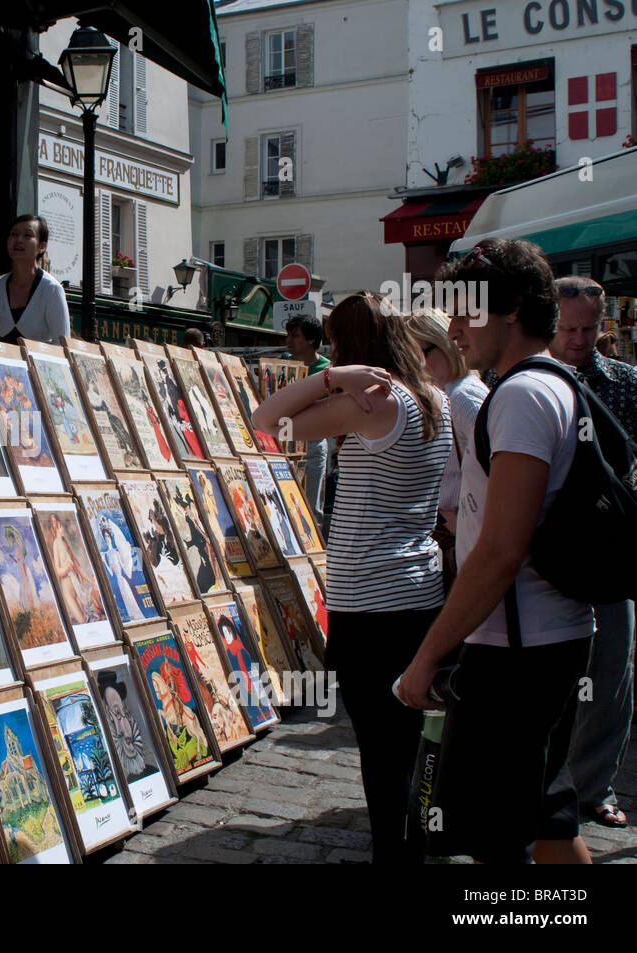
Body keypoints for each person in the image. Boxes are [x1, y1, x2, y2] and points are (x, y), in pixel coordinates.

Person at [396, 239, 595, 865]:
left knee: (492, 840)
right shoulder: (550, 385)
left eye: (464, 312)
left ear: (508, 308)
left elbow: (502, 548)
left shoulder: (521, 396)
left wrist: (428, 656)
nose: (454, 329)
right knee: (550, 820)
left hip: (517, 650)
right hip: (546, 636)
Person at [253, 292, 452, 864]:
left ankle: (396, 851)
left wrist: (331, 377)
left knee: (379, 747)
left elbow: (266, 422)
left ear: (353, 347)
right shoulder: (431, 398)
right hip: (418, 590)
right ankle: (412, 841)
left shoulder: (371, 405)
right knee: (407, 738)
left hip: (370, 599)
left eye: (338, 345)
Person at [549, 275, 634, 829]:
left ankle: (592, 787)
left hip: (608, 550)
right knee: (549, 676)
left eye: (588, 328)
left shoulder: (625, 382)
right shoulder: (525, 378)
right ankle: (547, 786)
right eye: (568, 328)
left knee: (611, 672)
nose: (579, 339)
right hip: (546, 547)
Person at [406, 306, 489, 582]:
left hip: (460, 538)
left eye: (421, 354)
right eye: (409, 357)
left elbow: (497, 473)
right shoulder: (450, 392)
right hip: (450, 533)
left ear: (444, 344)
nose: (415, 366)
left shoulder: (462, 396)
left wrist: (462, 522)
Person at [0, 215, 70, 344]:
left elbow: (62, 344)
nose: (19, 240)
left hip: (40, 364)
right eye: (14, 234)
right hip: (4, 362)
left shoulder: (52, 289)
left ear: (42, 247)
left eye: (28, 235)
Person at [285, 314, 333, 535]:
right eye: (288, 335)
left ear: (312, 340)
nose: (289, 340)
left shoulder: (327, 370)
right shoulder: (283, 364)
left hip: (312, 443)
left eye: (295, 336)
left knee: (311, 506)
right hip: (286, 442)